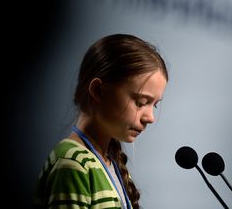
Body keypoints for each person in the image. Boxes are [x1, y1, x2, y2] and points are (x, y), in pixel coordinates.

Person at [34, 34, 169, 209]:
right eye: (141, 102)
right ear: (98, 91)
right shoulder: (74, 163)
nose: (150, 117)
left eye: (154, 105)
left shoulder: (106, 163)